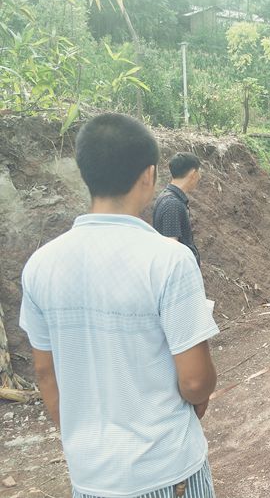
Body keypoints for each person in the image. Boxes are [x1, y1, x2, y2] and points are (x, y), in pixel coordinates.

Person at [19, 113, 219, 498]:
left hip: (90, 479)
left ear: (86, 173)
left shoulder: (40, 265)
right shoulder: (169, 261)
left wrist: (86, 446)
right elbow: (195, 382)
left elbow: (46, 372)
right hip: (166, 471)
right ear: (149, 174)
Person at [153, 152, 202, 266]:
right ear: (193, 174)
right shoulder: (172, 203)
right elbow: (171, 249)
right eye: (199, 172)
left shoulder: (169, 198)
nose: (200, 177)